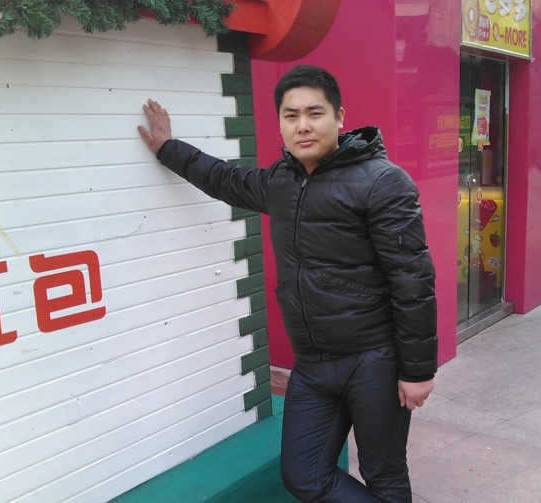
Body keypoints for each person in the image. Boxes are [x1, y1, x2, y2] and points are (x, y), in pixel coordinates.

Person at [138, 64, 437, 503]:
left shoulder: (383, 182)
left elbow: (413, 280)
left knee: (384, 474)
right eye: (290, 115)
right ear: (280, 122)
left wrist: (417, 371)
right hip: (313, 363)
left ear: (339, 117)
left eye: (315, 113)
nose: (303, 125)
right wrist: (168, 148)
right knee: (304, 475)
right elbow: (224, 178)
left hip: (374, 360)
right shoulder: (281, 181)